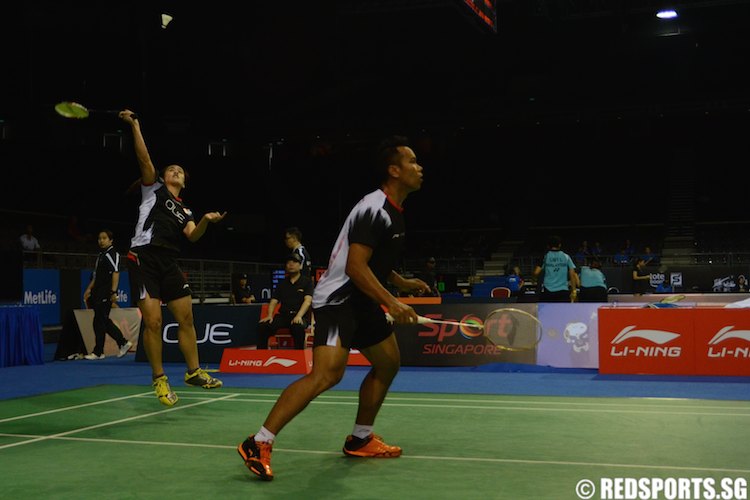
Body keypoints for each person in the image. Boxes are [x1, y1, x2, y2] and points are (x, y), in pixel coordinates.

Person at [236, 135, 429, 481]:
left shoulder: (395, 213)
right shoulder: (375, 208)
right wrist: (393, 302)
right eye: (413, 161)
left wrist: (400, 284)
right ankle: (258, 441)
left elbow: (372, 260)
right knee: (327, 374)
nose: (420, 167)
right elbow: (355, 267)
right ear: (394, 170)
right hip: (338, 301)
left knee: (388, 364)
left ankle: (360, 438)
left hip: (363, 300)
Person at [119, 109, 226, 406]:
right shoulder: (152, 190)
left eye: (180, 171)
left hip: (168, 262)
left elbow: (193, 235)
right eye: (172, 169)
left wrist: (205, 219)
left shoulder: (185, 210)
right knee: (153, 322)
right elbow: (144, 160)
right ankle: (160, 379)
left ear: (184, 182)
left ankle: (194, 372)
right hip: (143, 258)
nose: (176, 171)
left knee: (186, 317)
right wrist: (136, 125)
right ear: (163, 177)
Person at [82, 229, 133, 359]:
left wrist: (113, 292)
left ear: (111, 240)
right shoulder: (101, 255)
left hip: (105, 293)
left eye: (104, 238)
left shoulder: (112, 254)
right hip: (97, 292)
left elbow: (116, 272)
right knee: (100, 321)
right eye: (99, 238)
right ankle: (117, 345)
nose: (101, 240)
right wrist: (89, 289)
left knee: (100, 321)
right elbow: (95, 276)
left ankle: (103, 350)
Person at [256, 254, 313, 349]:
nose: (291, 264)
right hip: (283, 316)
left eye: (294, 262)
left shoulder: (307, 282)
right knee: (263, 327)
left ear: (300, 266)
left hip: (300, 316)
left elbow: (307, 301)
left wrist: (299, 316)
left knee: (298, 328)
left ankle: (298, 357)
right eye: (288, 262)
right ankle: (262, 357)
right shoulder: (281, 284)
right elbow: (274, 300)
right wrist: (269, 315)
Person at [533, 235, 578, 302]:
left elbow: (536, 272)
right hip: (563, 291)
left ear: (548, 245)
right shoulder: (566, 256)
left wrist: (533, 279)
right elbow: (572, 274)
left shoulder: (545, 256)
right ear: (559, 245)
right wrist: (574, 290)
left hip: (548, 291)